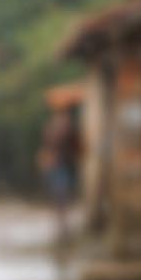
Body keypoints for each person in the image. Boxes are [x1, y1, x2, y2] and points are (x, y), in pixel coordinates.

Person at [37, 103, 82, 246]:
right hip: (57, 167)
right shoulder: (51, 129)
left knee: (63, 195)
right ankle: (61, 224)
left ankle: (63, 224)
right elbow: (46, 148)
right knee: (59, 195)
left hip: (66, 166)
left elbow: (79, 147)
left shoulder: (69, 130)